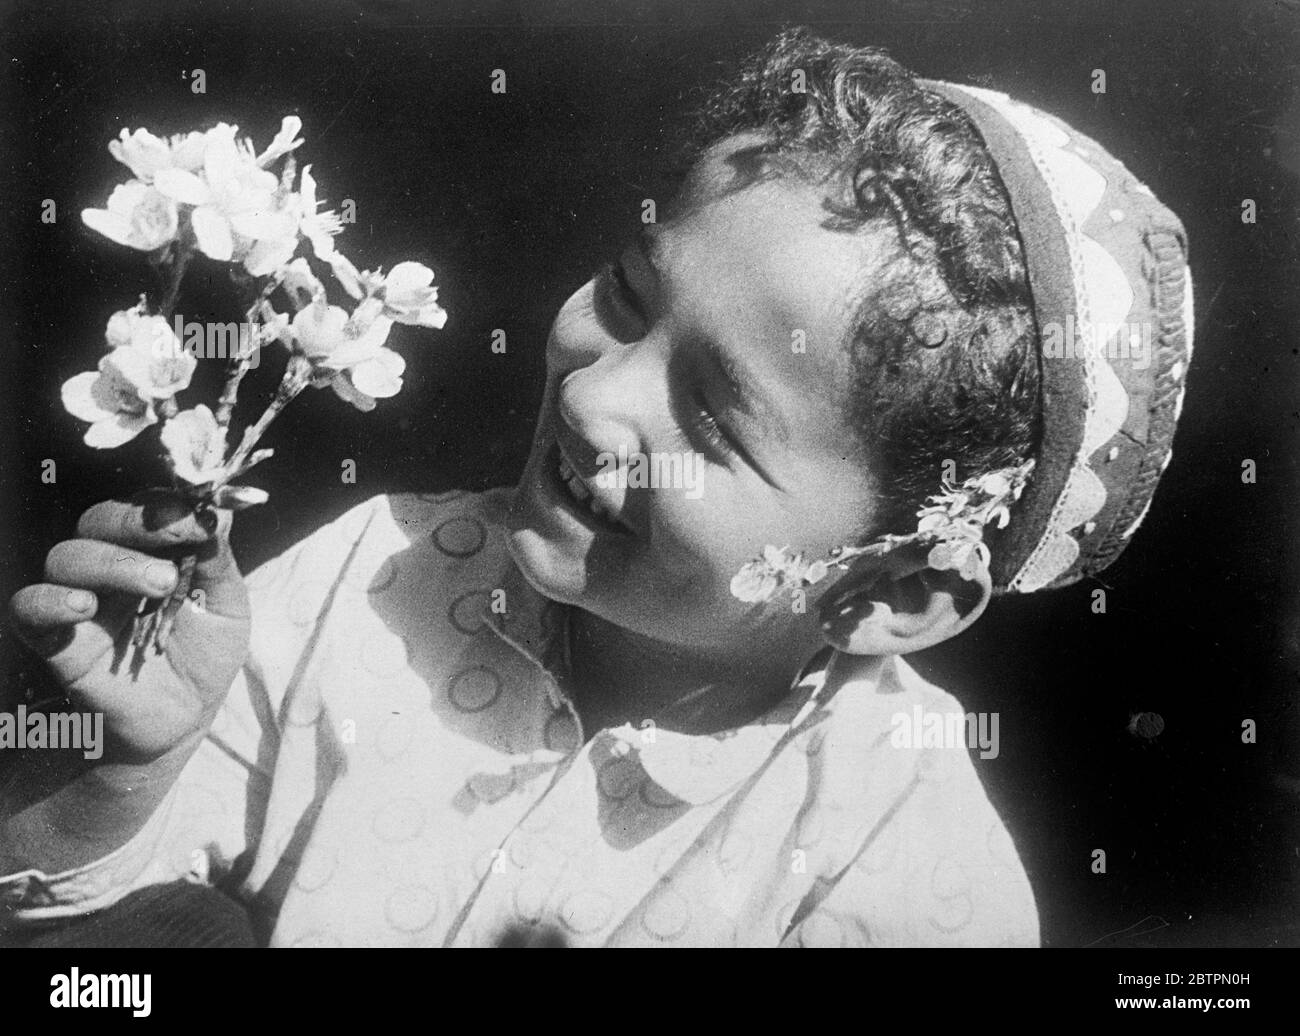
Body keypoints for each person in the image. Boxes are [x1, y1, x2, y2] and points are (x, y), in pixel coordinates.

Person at [1, 28, 1193, 947]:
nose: (594, 394)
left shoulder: (892, 862)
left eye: (715, 413)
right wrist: (117, 773)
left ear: (891, 588)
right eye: (628, 293)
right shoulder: (367, 578)